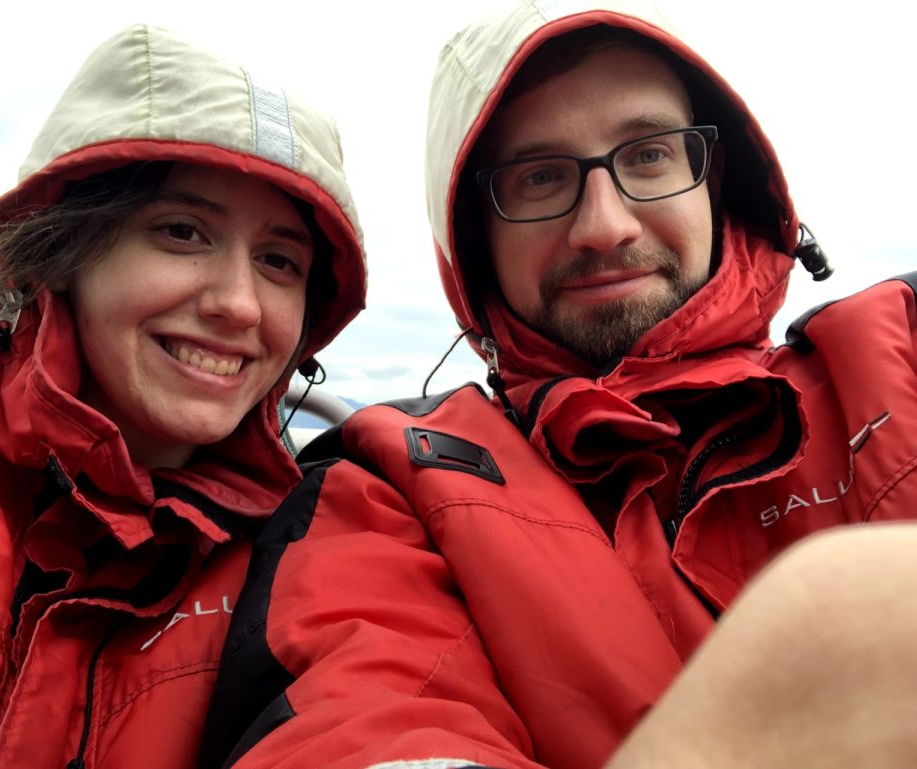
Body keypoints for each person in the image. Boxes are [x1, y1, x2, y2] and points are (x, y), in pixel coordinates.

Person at [199, 2, 917, 769]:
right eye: (540, 177)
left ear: (716, 180)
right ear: (476, 239)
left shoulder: (893, 352)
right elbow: (362, 722)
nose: (605, 225)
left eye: (647, 155)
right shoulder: (387, 492)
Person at [0, 24, 366, 769]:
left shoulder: (317, 551)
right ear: (59, 252)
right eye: (182, 231)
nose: (240, 304)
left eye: (279, 261)